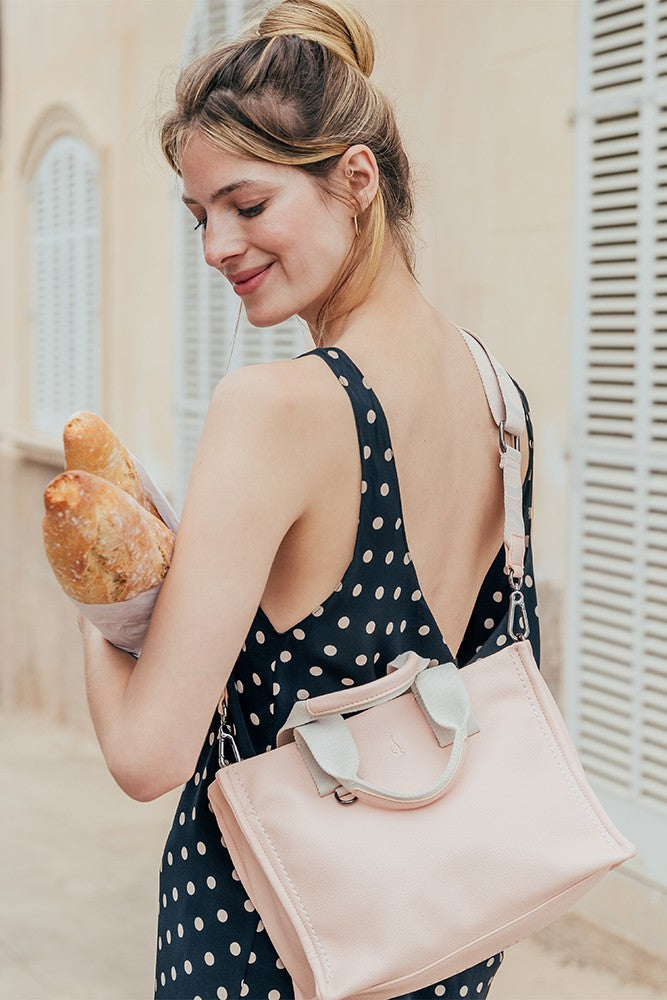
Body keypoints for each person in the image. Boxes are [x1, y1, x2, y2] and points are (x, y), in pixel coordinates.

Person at [78, 0, 540, 996]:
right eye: (199, 217)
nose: (215, 246)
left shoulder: (278, 410)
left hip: (272, 940)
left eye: (246, 205)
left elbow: (147, 756)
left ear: (356, 180)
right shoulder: (498, 396)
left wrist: (98, 591)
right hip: (433, 931)